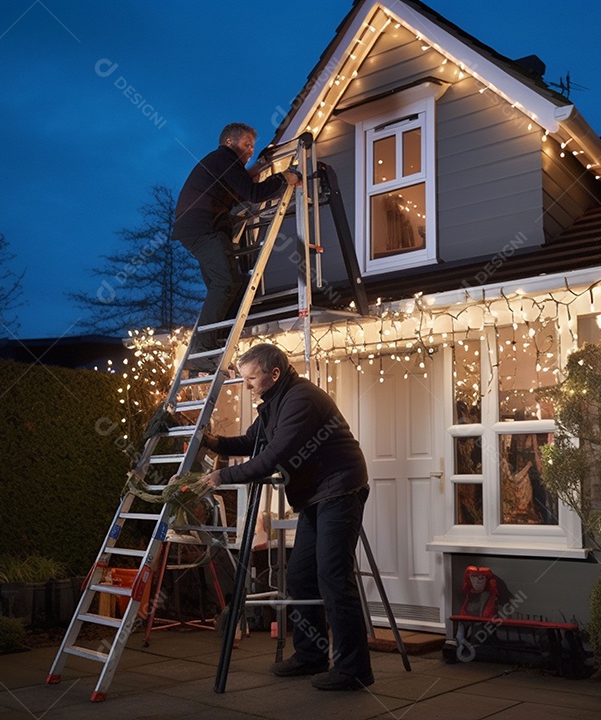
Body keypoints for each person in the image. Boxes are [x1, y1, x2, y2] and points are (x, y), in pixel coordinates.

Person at [199, 343, 374, 691]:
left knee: (334, 577)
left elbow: (275, 456)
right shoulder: (274, 402)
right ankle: (311, 655)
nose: (247, 385)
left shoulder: (300, 400)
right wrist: (212, 441)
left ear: (273, 374)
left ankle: (354, 669)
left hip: (340, 488)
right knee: (300, 575)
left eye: (251, 379)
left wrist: (223, 476)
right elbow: (253, 442)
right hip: (315, 495)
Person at [172, 124, 301, 362]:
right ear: (230, 142)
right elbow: (252, 193)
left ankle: (213, 342)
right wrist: (284, 178)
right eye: (247, 144)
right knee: (226, 283)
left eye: (253, 146)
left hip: (197, 228)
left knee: (226, 286)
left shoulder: (222, 164)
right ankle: (202, 352)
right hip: (204, 227)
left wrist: (260, 168)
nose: (251, 151)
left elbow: (242, 185)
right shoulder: (225, 158)